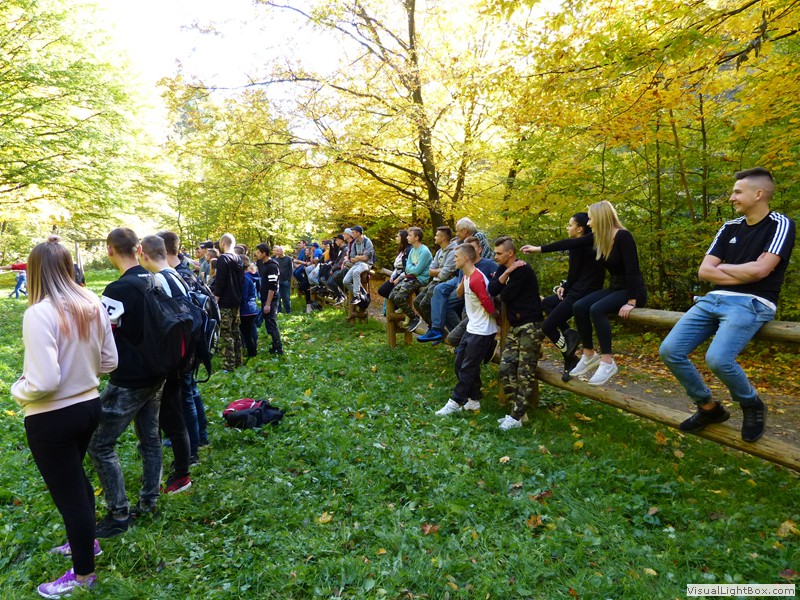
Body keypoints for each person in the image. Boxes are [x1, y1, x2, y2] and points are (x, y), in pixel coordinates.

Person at [11, 236, 117, 598]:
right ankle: (86, 544)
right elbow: (110, 361)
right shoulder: (91, 302)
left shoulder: (39, 313)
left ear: (34, 271)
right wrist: (80, 372)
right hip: (89, 407)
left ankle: (83, 575)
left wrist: (18, 389)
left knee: (70, 496)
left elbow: (44, 381)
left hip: (52, 417)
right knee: (77, 482)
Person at [660, 168, 796, 443]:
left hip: (752, 302)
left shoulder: (780, 224)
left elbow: (761, 271)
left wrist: (725, 268)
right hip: (713, 299)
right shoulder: (730, 226)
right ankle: (708, 408)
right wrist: (747, 270)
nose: (731, 197)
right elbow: (704, 271)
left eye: (737, 192)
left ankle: (751, 403)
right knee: (670, 351)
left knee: (718, 359)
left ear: (758, 194)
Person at [88, 228, 165, 538]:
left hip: (130, 378)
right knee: (150, 438)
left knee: (99, 443)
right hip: (157, 372)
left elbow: (102, 334)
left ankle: (119, 514)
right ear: (138, 249)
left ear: (110, 250)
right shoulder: (155, 279)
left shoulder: (117, 289)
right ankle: (150, 501)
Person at [568, 201, 647, 386]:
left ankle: (607, 361)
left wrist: (632, 300)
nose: (588, 223)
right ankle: (589, 354)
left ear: (600, 217)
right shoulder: (599, 238)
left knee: (597, 309)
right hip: (615, 288)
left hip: (633, 290)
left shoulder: (623, 236)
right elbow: (569, 243)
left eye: (590, 219)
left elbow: (632, 269)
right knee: (579, 306)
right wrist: (539, 249)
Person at [139, 235, 194, 494]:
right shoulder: (176, 275)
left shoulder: (157, 281)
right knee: (174, 416)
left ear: (144, 254)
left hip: (170, 360)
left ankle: (182, 475)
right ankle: (179, 470)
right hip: (183, 356)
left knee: (172, 419)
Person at [521, 212, 605, 379]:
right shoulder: (587, 244)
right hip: (578, 290)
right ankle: (568, 338)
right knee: (547, 303)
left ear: (580, 229)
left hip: (582, 294)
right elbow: (576, 273)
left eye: (570, 225)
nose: (568, 228)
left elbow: (575, 272)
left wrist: (538, 249)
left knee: (547, 326)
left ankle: (569, 354)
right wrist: (564, 286)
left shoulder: (582, 244)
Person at [157, 231, 210, 457]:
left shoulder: (175, 275)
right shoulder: (185, 272)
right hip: (194, 341)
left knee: (186, 394)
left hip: (187, 343)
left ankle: (192, 446)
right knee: (191, 391)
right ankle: (201, 436)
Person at [488, 236, 545, 430]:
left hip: (530, 325)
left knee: (524, 371)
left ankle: (516, 416)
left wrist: (506, 276)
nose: (495, 256)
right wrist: (507, 271)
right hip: (515, 326)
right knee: (505, 368)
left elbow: (505, 295)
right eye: (495, 253)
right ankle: (519, 414)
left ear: (510, 253)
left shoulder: (523, 270)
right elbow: (492, 289)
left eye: (499, 253)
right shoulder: (505, 268)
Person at [435, 243, 498, 416]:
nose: (454, 260)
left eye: (456, 257)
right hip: (472, 327)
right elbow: (458, 294)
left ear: (466, 258)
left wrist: (496, 318)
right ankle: (473, 400)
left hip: (482, 330)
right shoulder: (468, 276)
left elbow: (487, 303)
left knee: (468, 367)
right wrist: (463, 278)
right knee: (459, 364)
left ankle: (455, 401)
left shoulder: (477, 279)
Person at [388, 226, 432, 333]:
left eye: (410, 235)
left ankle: (414, 317)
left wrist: (411, 268)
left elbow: (417, 271)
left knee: (399, 298)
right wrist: (412, 267)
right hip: (410, 277)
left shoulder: (424, 251)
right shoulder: (412, 250)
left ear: (416, 238)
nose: (407, 237)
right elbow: (407, 268)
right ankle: (407, 312)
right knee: (392, 296)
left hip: (419, 279)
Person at [413, 226, 457, 329]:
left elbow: (444, 275)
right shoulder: (439, 252)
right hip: (434, 281)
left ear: (443, 238)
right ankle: (434, 328)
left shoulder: (453, 252)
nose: (434, 237)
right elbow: (430, 270)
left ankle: (437, 329)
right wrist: (440, 270)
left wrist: (438, 271)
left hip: (443, 283)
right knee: (417, 302)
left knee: (425, 304)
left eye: (437, 235)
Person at [214, 233, 244, 371]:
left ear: (223, 243)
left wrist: (215, 300)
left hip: (225, 302)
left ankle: (228, 365)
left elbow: (220, 281)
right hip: (236, 301)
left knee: (226, 334)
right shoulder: (239, 259)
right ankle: (238, 361)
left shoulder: (223, 259)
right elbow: (241, 282)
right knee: (235, 332)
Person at [255, 244, 283, 355]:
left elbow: (272, 286)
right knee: (268, 324)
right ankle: (275, 346)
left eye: (258, 252)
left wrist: (268, 304)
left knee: (271, 324)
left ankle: (279, 348)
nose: (257, 254)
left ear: (264, 253)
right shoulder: (265, 265)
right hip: (265, 299)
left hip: (271, 300)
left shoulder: (271, 266)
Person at [344, 225, 375, 304]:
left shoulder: (367, 242)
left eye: (353, 232)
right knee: (345, 281)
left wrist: (357, 257)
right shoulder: (354, 243)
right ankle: (362, 293)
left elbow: (366, 258)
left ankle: (357, 296)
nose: (352, 234)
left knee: (356, 272)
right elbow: (351, 258)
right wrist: (360, 257)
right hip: (357, 264)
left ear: (358, 233)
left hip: (366, 264)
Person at [378, 230, 411, 300]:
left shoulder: (409, 250)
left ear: (403, 238)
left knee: (391, 293)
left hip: (403, 276)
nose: (396, 238)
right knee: (382, 290)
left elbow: (407, 269)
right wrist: (393, 276)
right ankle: (396, 302)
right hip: (396, 274)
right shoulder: (401, 251)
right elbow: (396, 266)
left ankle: (399, 302)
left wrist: (398, 278)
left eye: (398, 237)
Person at [239, 257, 260, 359]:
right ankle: (252, 352)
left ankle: (252, 354)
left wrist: (238, 305)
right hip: (251, 308)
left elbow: (243, 296)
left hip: (246, 310)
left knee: (247, 334)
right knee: (249, 333)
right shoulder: (248, 277)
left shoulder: (245, 279)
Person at [272, 245, 294, 313]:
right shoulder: (275, 260)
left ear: (282, 251)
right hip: (278, 281)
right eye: (276, 251)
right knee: (278, 297)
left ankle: (288, 311)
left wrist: (288, 279)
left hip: (286, 281)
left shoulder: (288, 259)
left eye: (278, 251)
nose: (277, 252)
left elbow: (291, 269)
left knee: (286, 297)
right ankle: (279, 311)